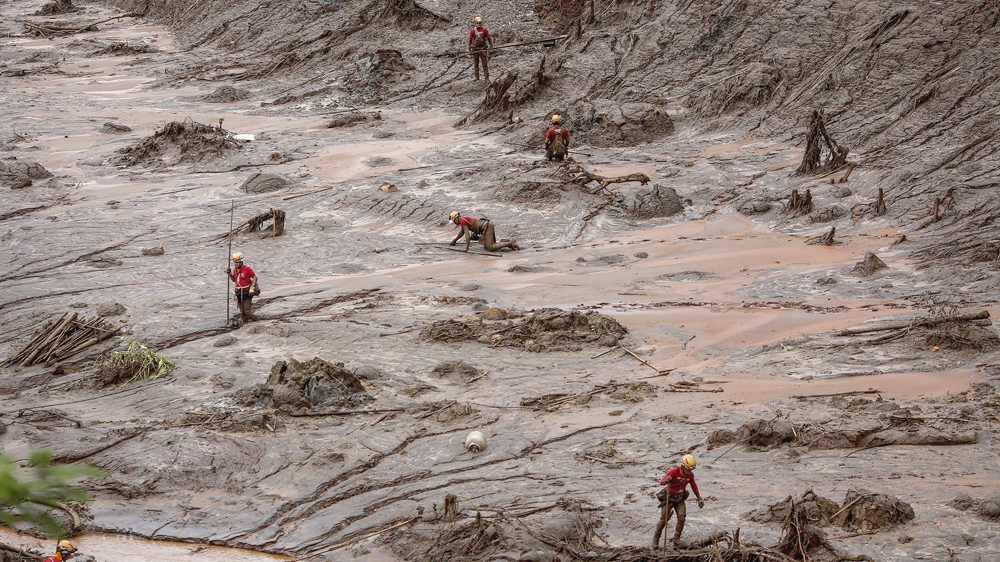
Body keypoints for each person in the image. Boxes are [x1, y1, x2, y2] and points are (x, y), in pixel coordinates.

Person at [653, 454, 705, 548]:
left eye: (691, 470)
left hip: (680, 498)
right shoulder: (674, 472)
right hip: (669, 498)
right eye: (688, 469)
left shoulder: (690, 475)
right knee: (664, 519)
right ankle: (656, 539)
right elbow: (662, 481)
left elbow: (694, 486)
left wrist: (699, 498)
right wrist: (666, 480)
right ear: (683, 466)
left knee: (682, 517)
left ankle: (676, 539)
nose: (689, 472)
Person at [449, 211, 519, 252]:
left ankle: (509, 243)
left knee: (491, 247)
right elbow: (462, 232)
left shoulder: (462, 221)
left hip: (486, 227)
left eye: (453, 221)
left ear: (456, 218)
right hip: (487, 226)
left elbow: (467, 235)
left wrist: (466, 248)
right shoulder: (463, 219)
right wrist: (454, 240)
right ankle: (506, 241)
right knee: (488, 246)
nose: (454, 223)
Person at [227, 252, 258, 325]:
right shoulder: (235, 270)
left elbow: (254, 277)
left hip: (246, 292)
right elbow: (234, 280)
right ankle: (245, 324)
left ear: (241, 261)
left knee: (247, 311)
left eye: (237, 262)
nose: (236, 264)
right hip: (238, 293)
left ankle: (257, 320)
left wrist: (252, 287)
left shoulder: (247, 269)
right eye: (235, 262)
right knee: (242, 312)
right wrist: (230, 274)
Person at [468, 17, 493, 81]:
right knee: (476, 63)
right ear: (475, 23)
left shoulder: (485, 30)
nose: (479, 24)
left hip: (483, 49)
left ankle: (486, 78)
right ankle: (477, 77)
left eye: (480, 23)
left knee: (484, 64)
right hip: (475, 50)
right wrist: (469, 50)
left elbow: (489, 39)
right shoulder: (472, 31)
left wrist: (491, 47)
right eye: (477, 23)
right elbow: (470, 41)